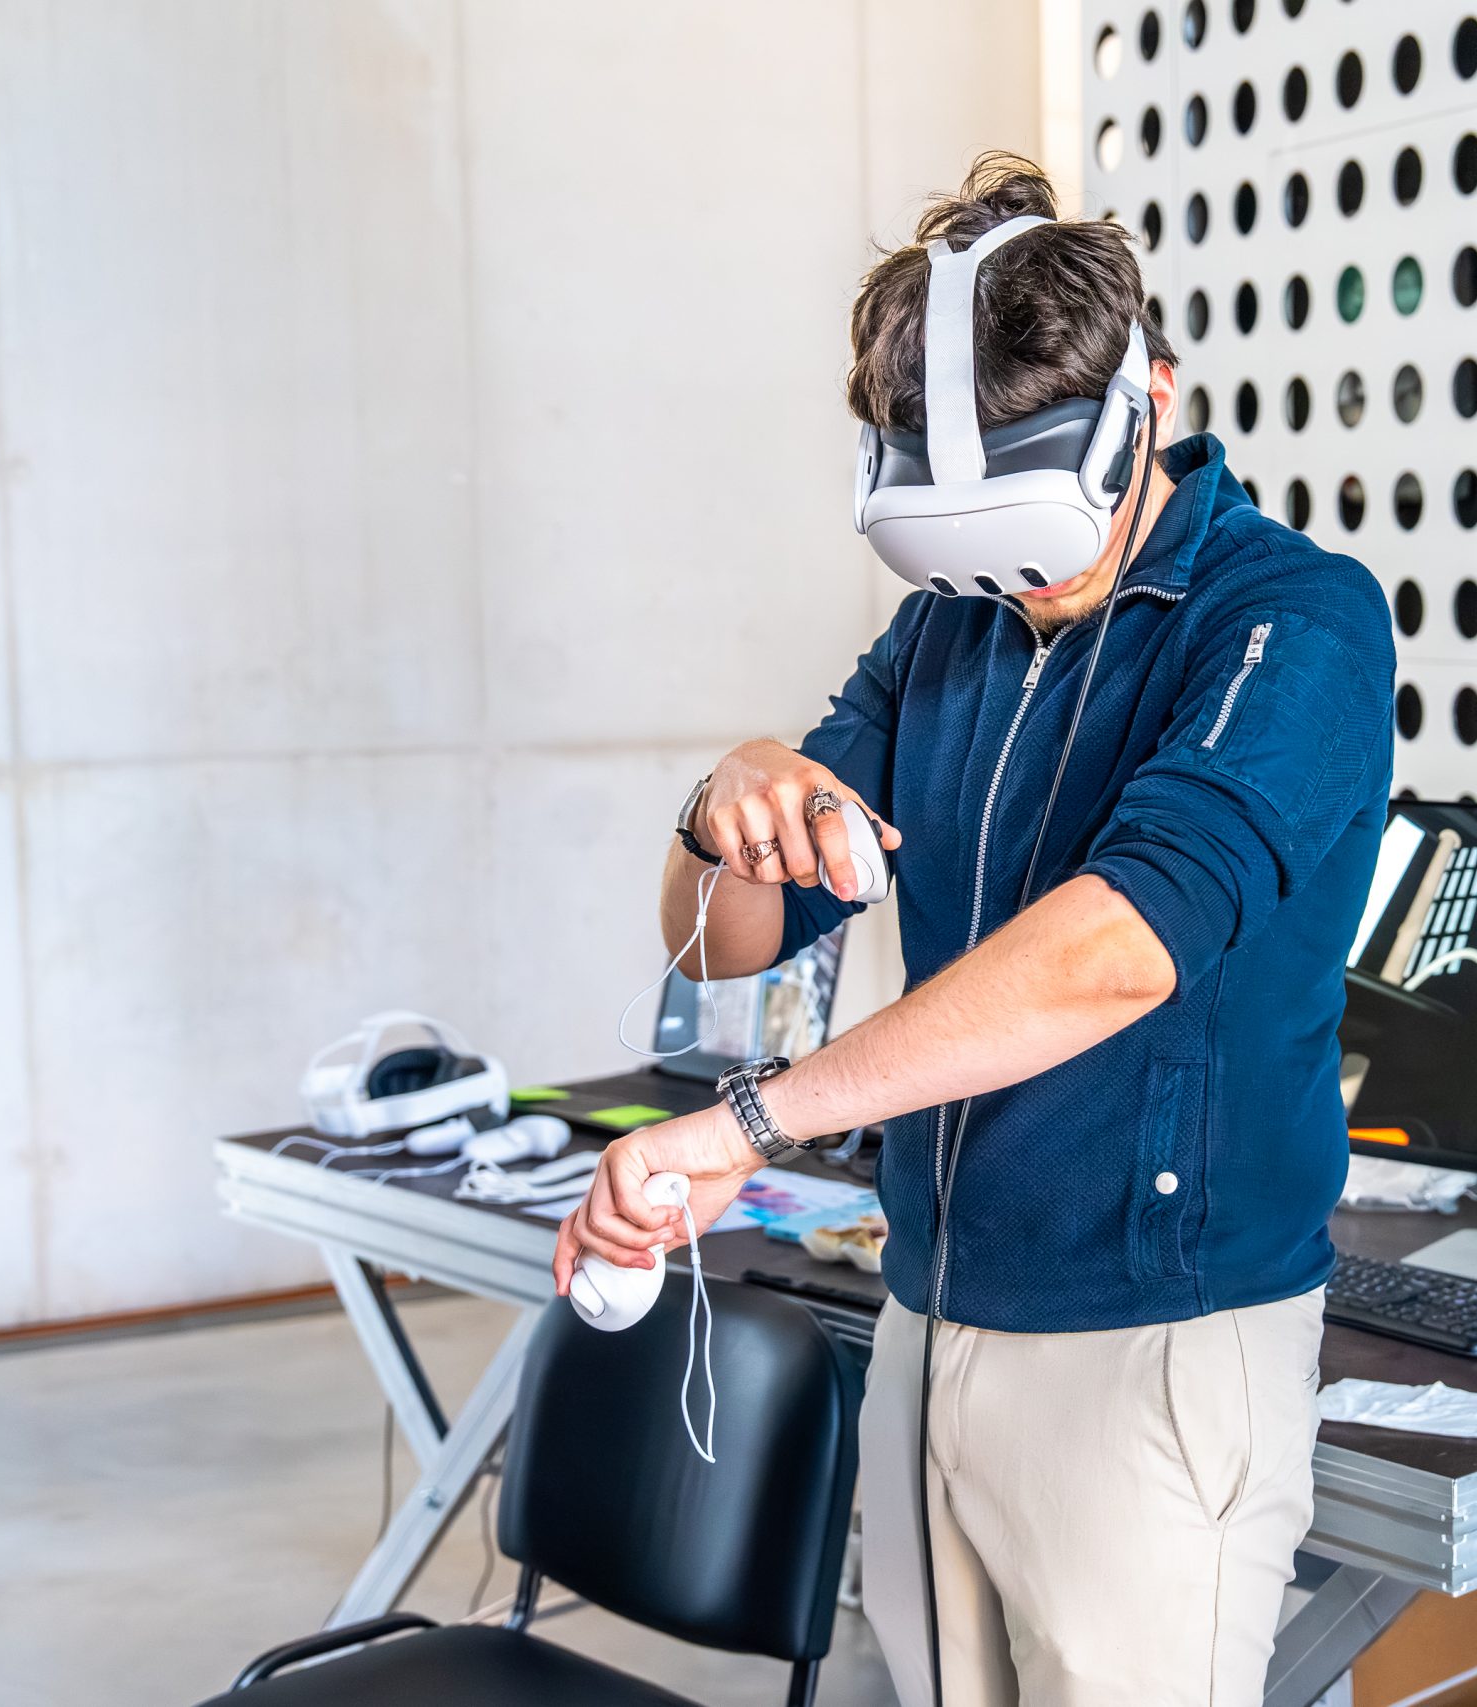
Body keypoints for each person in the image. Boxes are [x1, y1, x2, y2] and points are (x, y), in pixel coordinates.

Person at [554, 154, 1394, 1706]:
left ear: (1148, 400)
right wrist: (723, 809)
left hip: (1152, 1347)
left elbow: (1118, 948)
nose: (1019, 580)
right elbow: (730, 946)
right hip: (933, 1312)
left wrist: (751, 1125)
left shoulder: (1293, 625)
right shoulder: (947, 626)